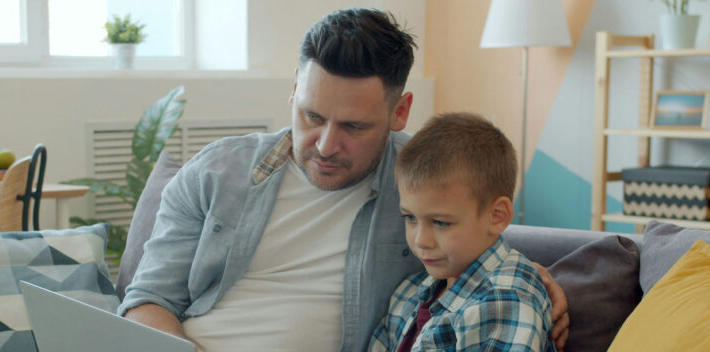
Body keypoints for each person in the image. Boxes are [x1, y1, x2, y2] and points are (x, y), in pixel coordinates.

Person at [119, 8, 569, 351]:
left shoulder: (420, 183)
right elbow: (145, 300)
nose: (326, 144)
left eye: (354, 127)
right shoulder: (216, 172)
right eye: (312, 116)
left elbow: (474, 237)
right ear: (295, 87)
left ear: (400, 111)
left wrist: (533, 275)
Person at [370, 113, 557, 352]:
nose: (420, 241)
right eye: (410, 218)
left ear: (497, 216)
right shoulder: (408, 293)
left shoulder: (506, 297)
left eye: (440, 223)